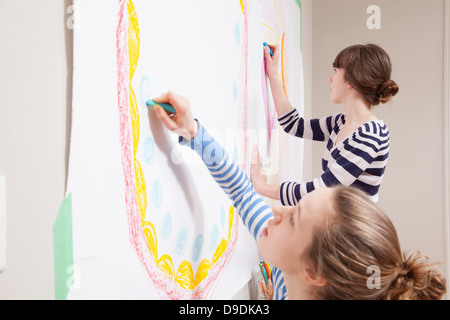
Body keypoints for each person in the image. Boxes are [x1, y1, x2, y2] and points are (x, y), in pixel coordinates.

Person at [151, 91, 446, 300]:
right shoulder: (287, 278)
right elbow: (242, 192)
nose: (277, 211)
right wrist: (193, 131)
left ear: (314, 273)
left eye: (293, 218)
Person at [251, 44, 399, 205]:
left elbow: (321, 192)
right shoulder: (341, 122)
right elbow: (294, 125)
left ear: (352, 81)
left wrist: (261, 187)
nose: (330, 78)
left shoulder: (371, 134)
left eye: (336, 71)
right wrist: (272, 74)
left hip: (348, 229)